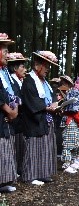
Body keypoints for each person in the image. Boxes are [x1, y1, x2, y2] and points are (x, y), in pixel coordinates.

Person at [21, 51, 59, 185]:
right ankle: (30, 176)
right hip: (34, 119)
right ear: (38, 66)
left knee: (45, 146)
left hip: (46, 119)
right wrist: (46, 107)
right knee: (34, 147)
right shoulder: (29, 81)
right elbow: (31, 99)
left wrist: (55, 103)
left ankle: (43, 173)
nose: (48, 69)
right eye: (46, 66)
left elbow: (52, 96)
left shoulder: (45, 82)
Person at [0, 34, 19, 193]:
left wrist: (14, 110)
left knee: (4, 146)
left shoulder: (4, 72)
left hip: (5, 118)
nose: (7, 55)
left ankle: (3, 180)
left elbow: (11, 93)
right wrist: (8, 110)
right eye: (4, 51)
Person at [5, 52, 28, 180]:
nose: (25, 70)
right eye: (22, 67)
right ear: (14, 68)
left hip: (20, 120)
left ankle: (19, 168)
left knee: (19, 145)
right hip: (14, 119)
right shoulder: (11, 81)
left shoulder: (19, 81)